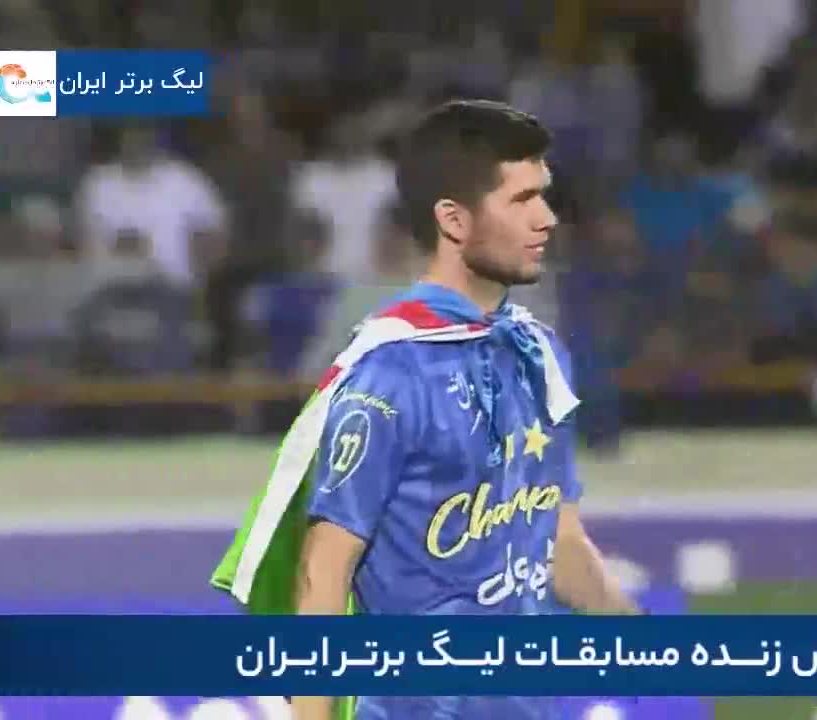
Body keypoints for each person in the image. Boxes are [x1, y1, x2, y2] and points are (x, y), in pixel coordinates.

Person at [211, 100, 639, 720]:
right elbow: (324, 575)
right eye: (522, 200)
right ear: (454, 220)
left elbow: (558, 539)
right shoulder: (389, 372)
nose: (546, 219)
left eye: (544, 197)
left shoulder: (539, 353)